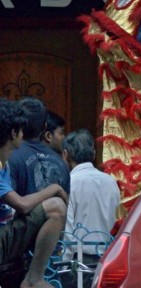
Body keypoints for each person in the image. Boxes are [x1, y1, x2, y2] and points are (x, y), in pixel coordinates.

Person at [0, 97, 68, 288]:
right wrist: (54, 189)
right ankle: (33, 279)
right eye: (20, 130)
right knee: (56, 207)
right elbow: (21, 204)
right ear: (14, 133)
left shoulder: (5, 164)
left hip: (8, 237)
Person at [61, 129, 120, 288]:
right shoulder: (110, 182)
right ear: (93, 153)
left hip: (78, 263)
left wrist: (64, 264)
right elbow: (114, 219)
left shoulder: (70, 183)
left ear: (65, 155)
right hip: (104, 259)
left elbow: (68, 230)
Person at [8, 97, 70, 196]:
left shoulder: (9, 158)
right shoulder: (62, 164)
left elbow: (7, 208)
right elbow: (65, 205)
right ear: (45, 127)